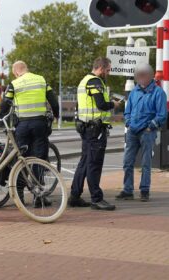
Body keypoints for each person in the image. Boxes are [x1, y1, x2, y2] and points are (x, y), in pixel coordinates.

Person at [0, 61, 59, 207]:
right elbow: (53, 100)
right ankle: (39, 196)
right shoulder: (41, 80)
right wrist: (56, 114)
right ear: (27, 69)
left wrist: (1, 116)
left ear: (15, 72)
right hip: (40, 124)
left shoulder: (14, 83)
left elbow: (5, 103)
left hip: (22, 126)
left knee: (21, 160)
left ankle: (19, 196)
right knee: (39, 159)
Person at [68, 57, 119, 211]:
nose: (108, 73)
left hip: (86, 127)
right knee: (94, 164)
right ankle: (97, 199)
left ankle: (75, 196)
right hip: (95, 129)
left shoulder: (84, 81)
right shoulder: (95, 82)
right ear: (102, 68)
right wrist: (113, 104)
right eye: (108, 70)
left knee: (84, 162)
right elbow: (101, 105)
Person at [116, 63, 167, 202]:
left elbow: (162, 115)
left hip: (147, 132)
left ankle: (144, 191)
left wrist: (151, 126)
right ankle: (128, 190)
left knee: (145, 163)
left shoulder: (158, 93)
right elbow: (128, 111)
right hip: (133, 131)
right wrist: (128, 122)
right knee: (127, 162)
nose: (141, 78)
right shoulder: (134, 92)